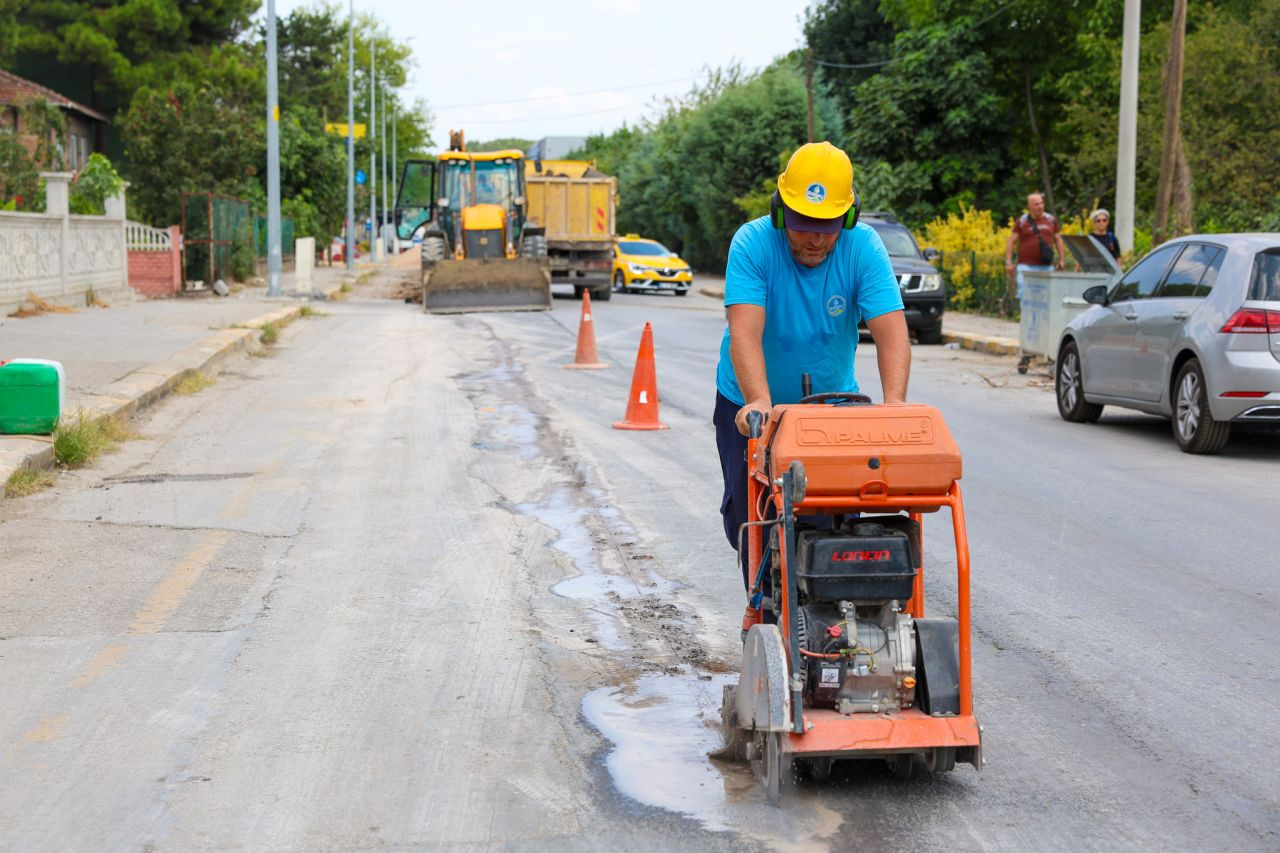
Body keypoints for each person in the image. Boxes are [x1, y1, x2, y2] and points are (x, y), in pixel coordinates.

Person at [713, 141, 911, 592]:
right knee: (751, 523)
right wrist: (758, 399)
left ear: (849, 218)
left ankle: (828, 627)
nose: (816, 239)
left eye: (827, 227)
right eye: (804, 226)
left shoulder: (863, 248)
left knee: (831, 522)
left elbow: (891, 330)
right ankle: (765, 617)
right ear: (781, 213)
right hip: (750, 404)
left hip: (831, 408)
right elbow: (744, 330)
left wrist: (895, 405)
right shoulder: (752, 243)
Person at [1004, 192, 1066, 298]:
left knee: (1046, 296)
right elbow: (1011, 241)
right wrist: (1008, 262)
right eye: (1036, 204)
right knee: (1024, 293)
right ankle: (1024, 314)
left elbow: (1058, 240)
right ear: (1029, 206)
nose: (1040, 206)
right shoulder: (1022, 221)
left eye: (1041, 203)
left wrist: (1062, 260)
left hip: (1046, 266)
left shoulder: (1050, 220)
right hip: (1026, 266)